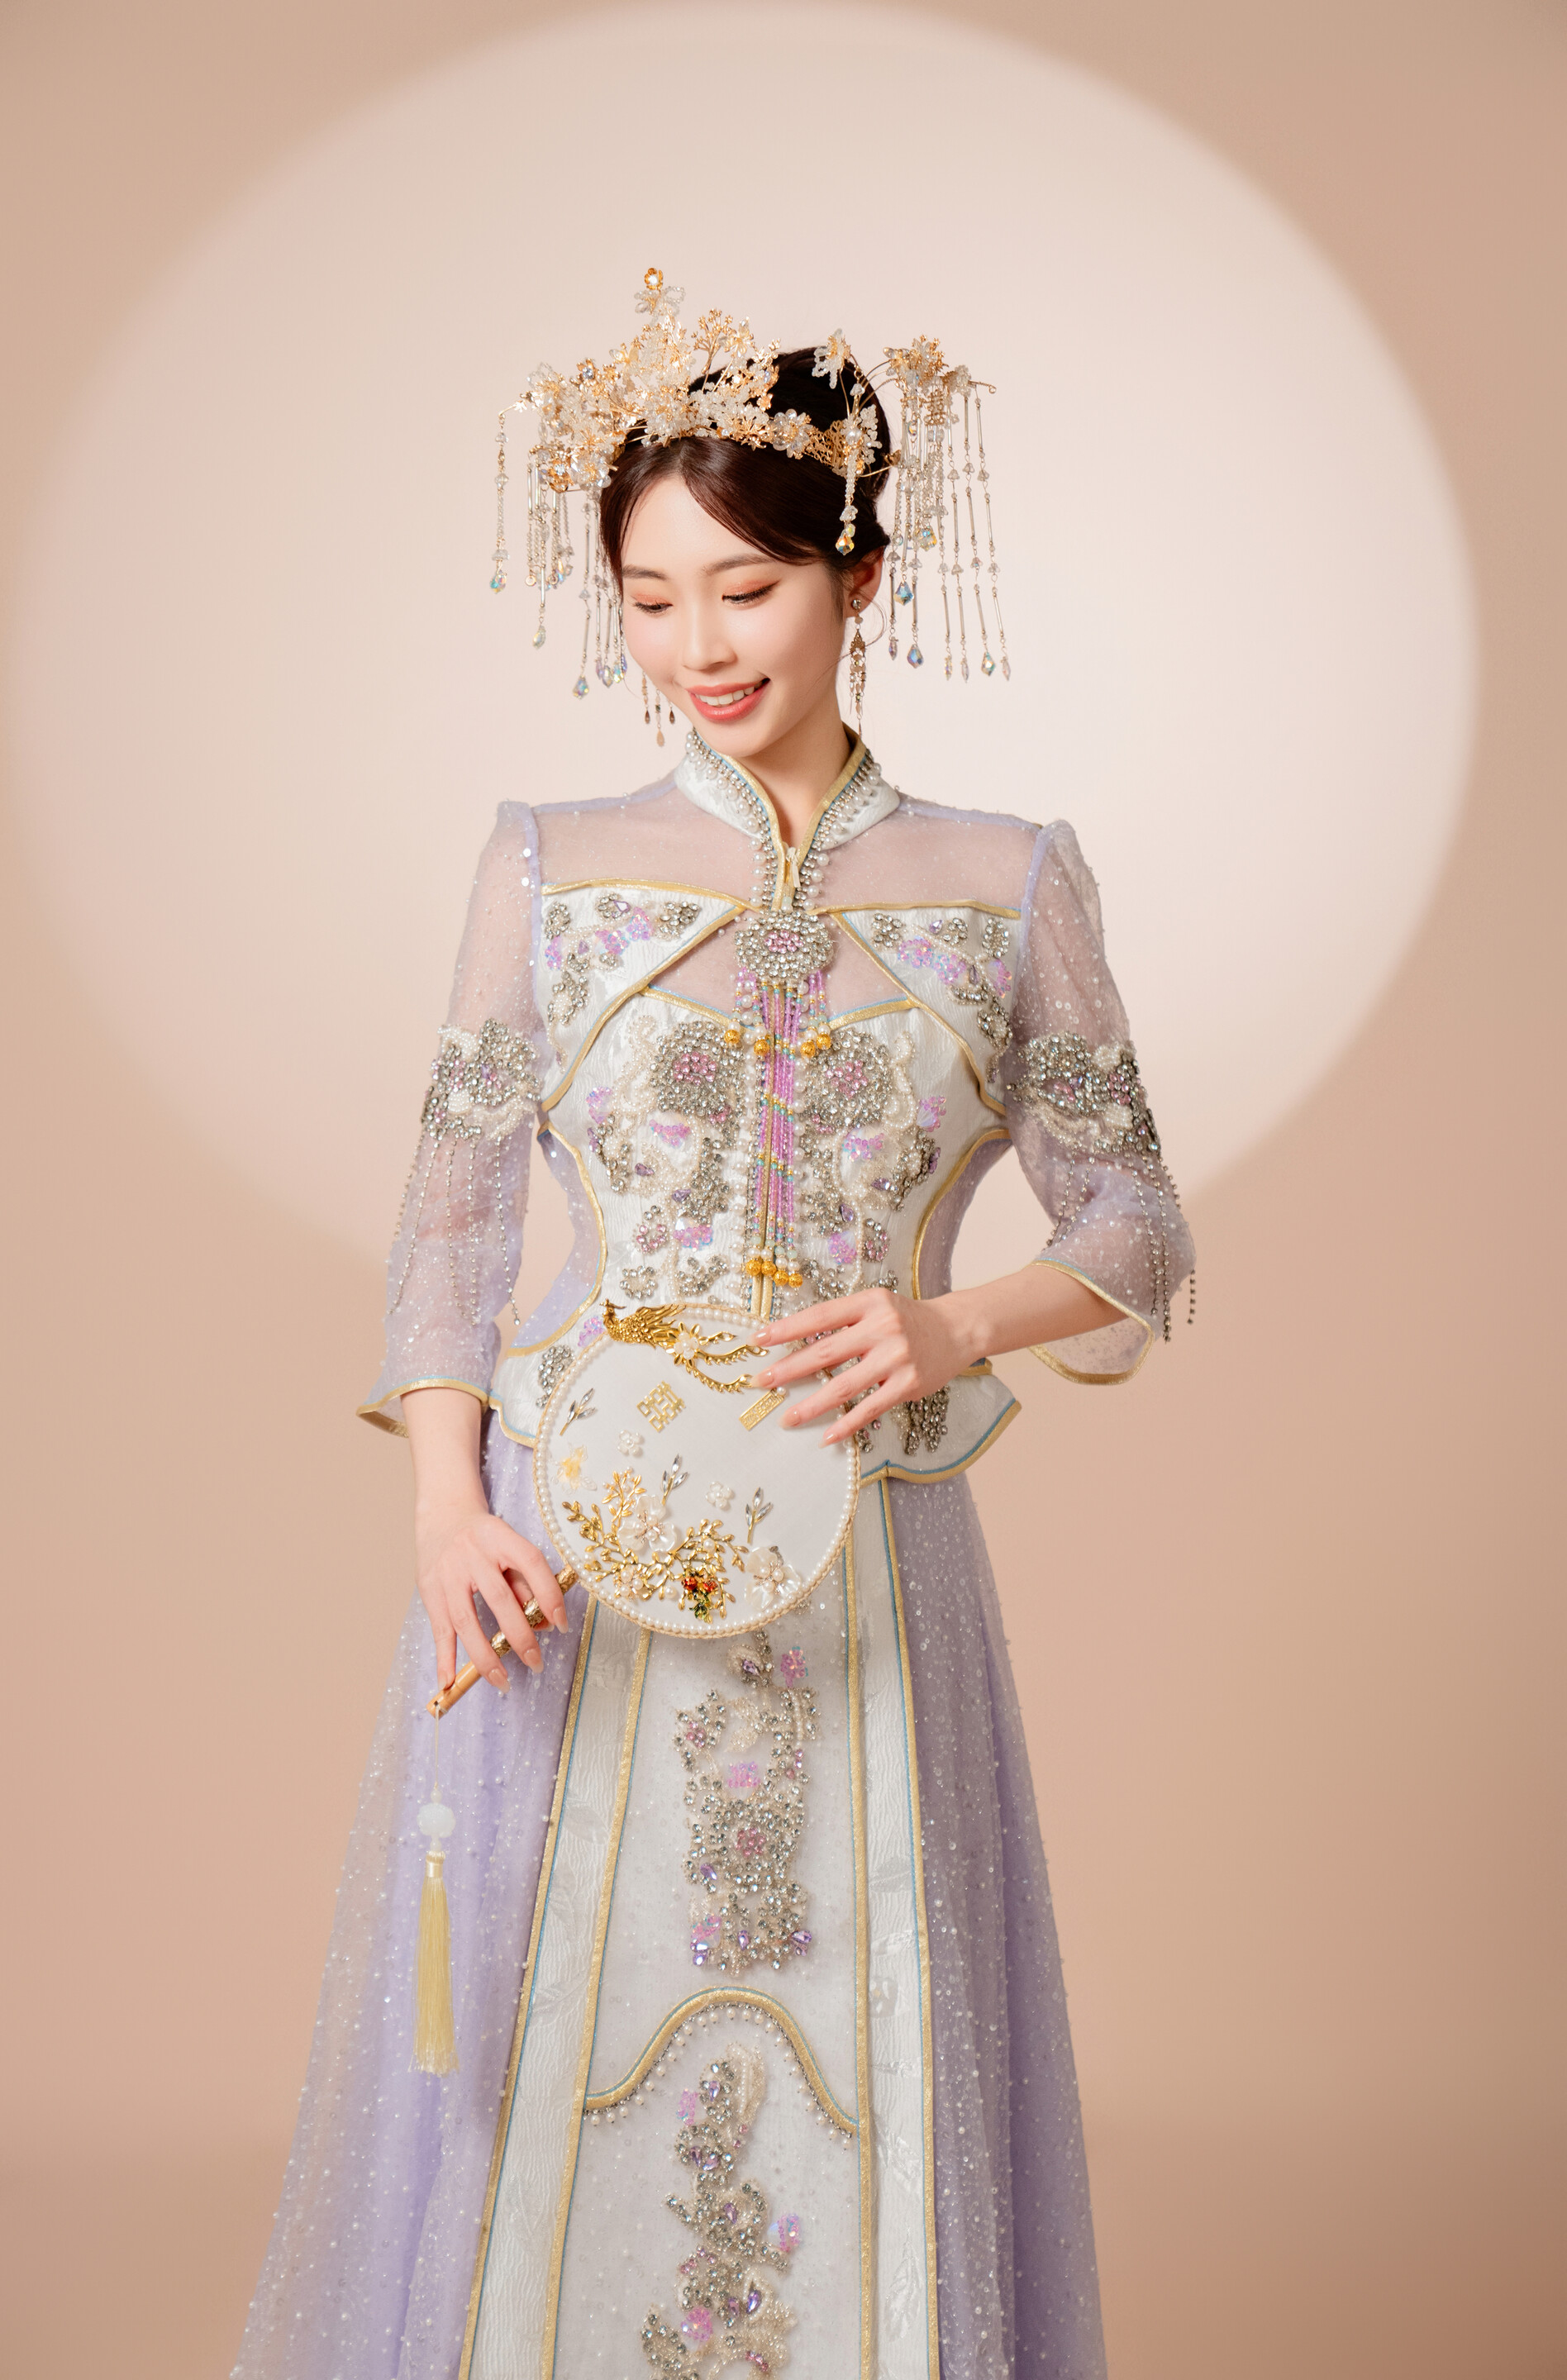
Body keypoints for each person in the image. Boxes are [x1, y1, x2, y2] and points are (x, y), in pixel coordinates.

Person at [235, 278, 1193, 2380]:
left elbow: (1137, 1223)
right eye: (651, 601)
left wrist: (952, 1325)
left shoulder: (1005, 882)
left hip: (872, 1568)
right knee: (543, 2067)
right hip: (568, 1563)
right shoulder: (549, 869)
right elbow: (452, 1225)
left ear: (862, 577)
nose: (702, 648)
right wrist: (445, 1507)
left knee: (872, 2041)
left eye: (747, 590)